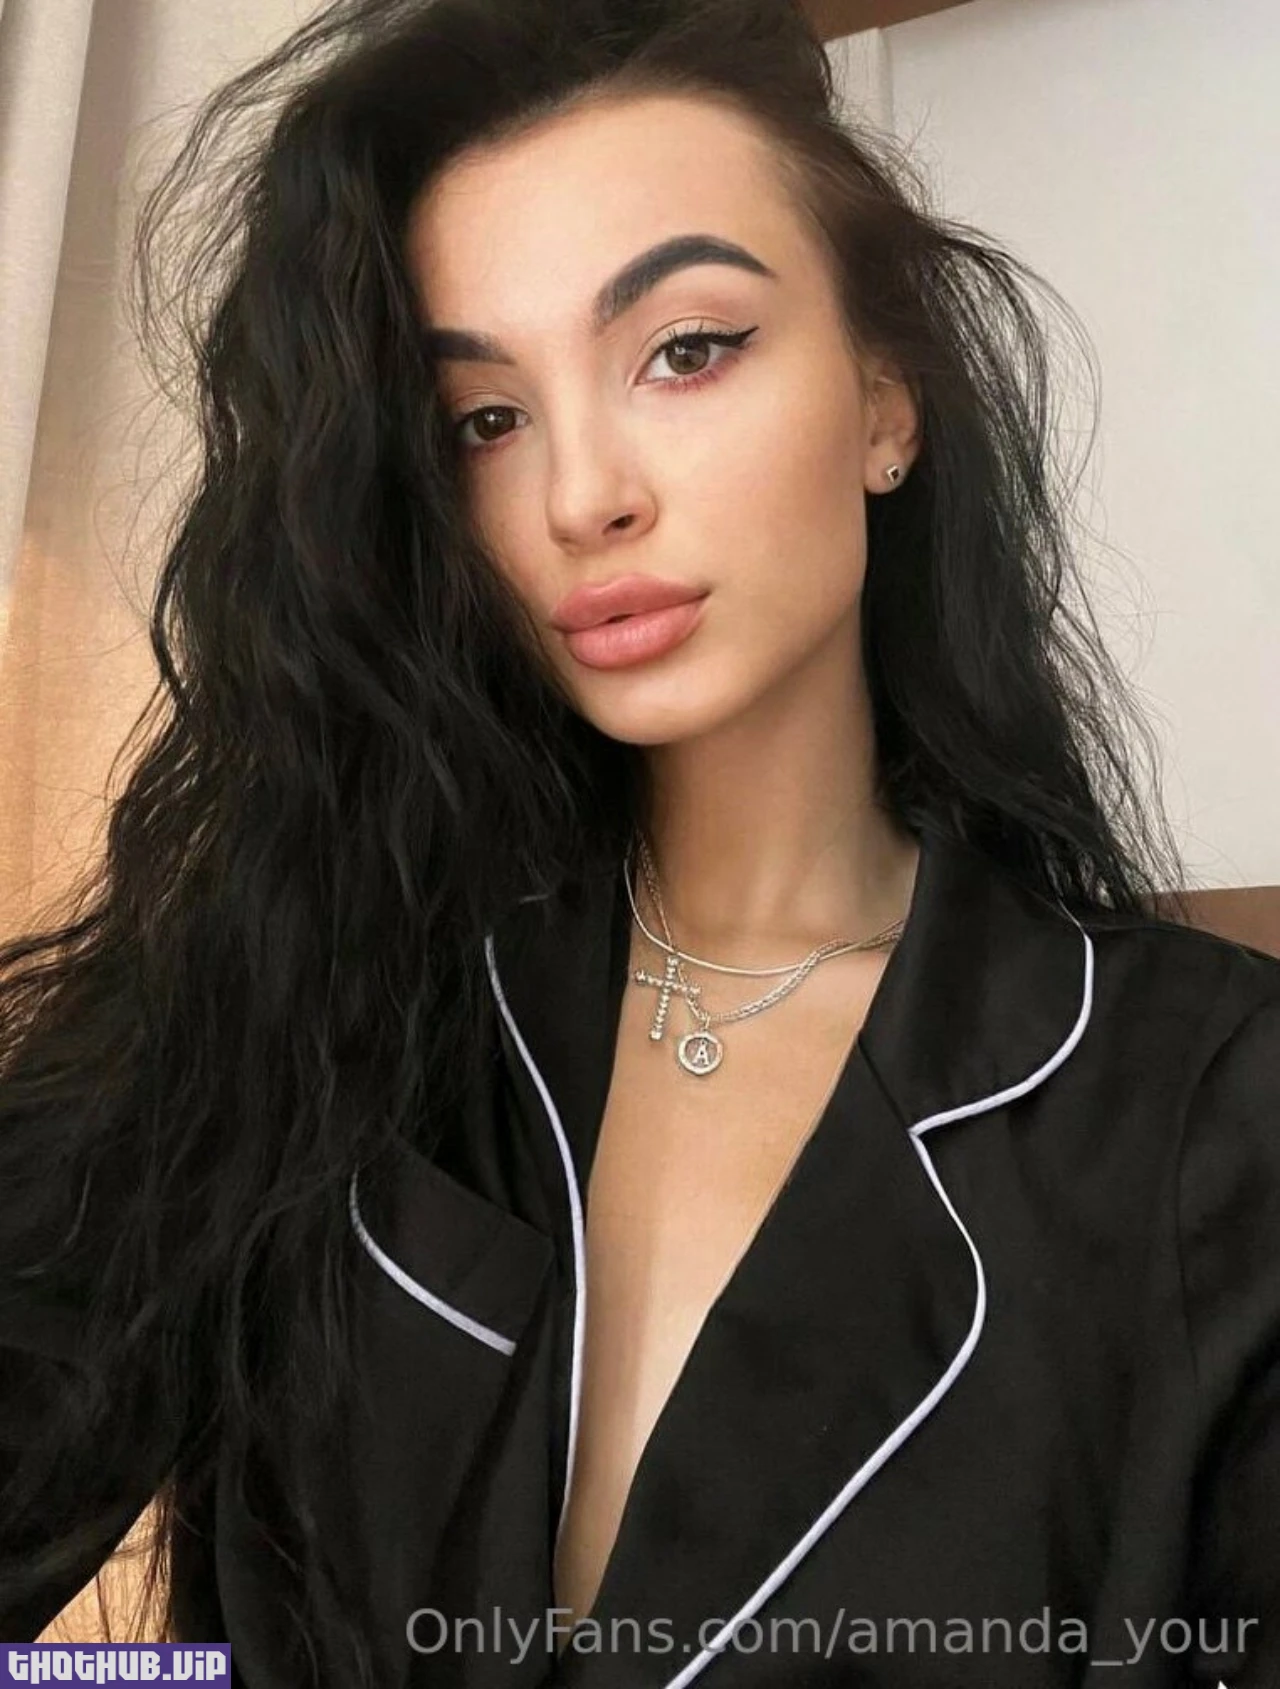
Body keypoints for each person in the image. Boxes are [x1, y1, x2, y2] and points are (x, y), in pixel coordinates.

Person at [1, 0, 1277, 1683]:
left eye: (686, 350)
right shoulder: (317, 990)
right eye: (485, 418)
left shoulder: (1208, 1107)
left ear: (885, 399)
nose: (580, 496)